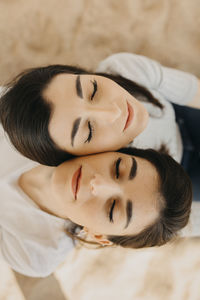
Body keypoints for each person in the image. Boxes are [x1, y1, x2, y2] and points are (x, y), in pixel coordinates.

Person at [0, 53, 199, 198]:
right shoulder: (111, 188)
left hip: (180, 115)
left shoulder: (123, 69)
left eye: (93, 91)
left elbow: (192, 91)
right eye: (89, 131)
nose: (114, 112)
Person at [0, 130, 192, 277]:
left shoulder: (36, 256)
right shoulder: (35, 121)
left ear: (99, 235)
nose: (97, 184)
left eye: (112, 209)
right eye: (118, 168)